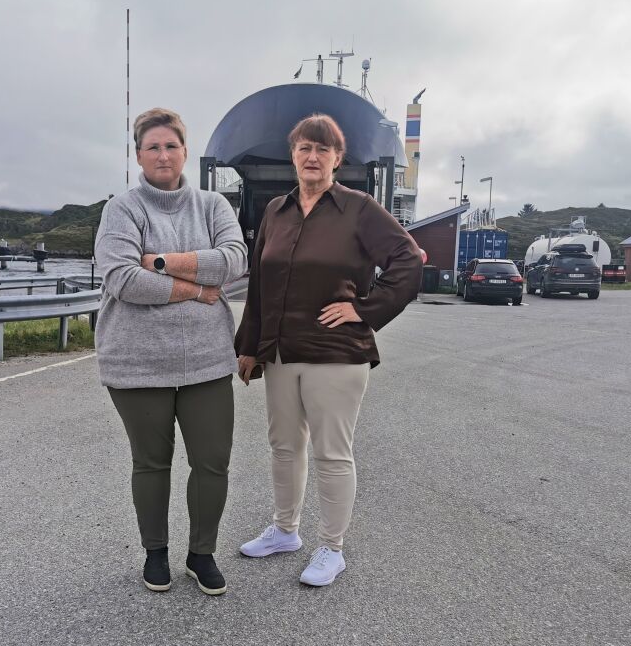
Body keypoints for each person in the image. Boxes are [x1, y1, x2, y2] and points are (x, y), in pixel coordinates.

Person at [235, 113, 423, 587]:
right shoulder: (275, 211)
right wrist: (249, 346)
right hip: (280, 351)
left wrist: (365, 308)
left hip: (336, 353)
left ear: (338, 159)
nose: (313, 157)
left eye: (323, 150)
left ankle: (331, 548)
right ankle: (284, 531)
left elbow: (408, 259)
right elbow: (261, 282)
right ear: (293, 156)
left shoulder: (359, 209)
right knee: (283, 447)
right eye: (304, 149)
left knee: (331, 454)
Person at [94, 107, 247, 595]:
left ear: (185, 151)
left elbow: (235, 263)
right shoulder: (122, 209)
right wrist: (199, 289)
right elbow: (121, 279)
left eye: (172, 145)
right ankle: (155, 553)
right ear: (139, 154)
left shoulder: (214, 206)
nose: (163, 154)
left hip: (207, 361)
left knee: (212, 461)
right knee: (151, 463)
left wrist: (161, 262)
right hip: (137, 364)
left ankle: (201, 554)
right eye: (153, 146)